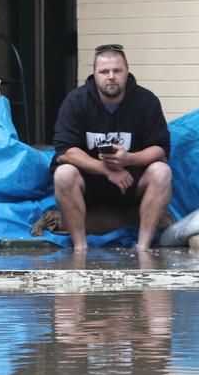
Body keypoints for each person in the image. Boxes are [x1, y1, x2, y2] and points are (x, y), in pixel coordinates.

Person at [51, 43, 172, 251]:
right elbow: (65, 151)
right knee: (63, 174)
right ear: (94, 74)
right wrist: (106, 170)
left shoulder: (146, 101)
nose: (111, 76)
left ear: (127, 72)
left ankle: (143, 248)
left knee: (162, 172)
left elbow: (160, 148)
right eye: (104, 71)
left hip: (132, 183)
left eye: (117, 70)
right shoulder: (76, 101)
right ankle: (80, 248)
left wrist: (129, 160)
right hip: (88, 186)